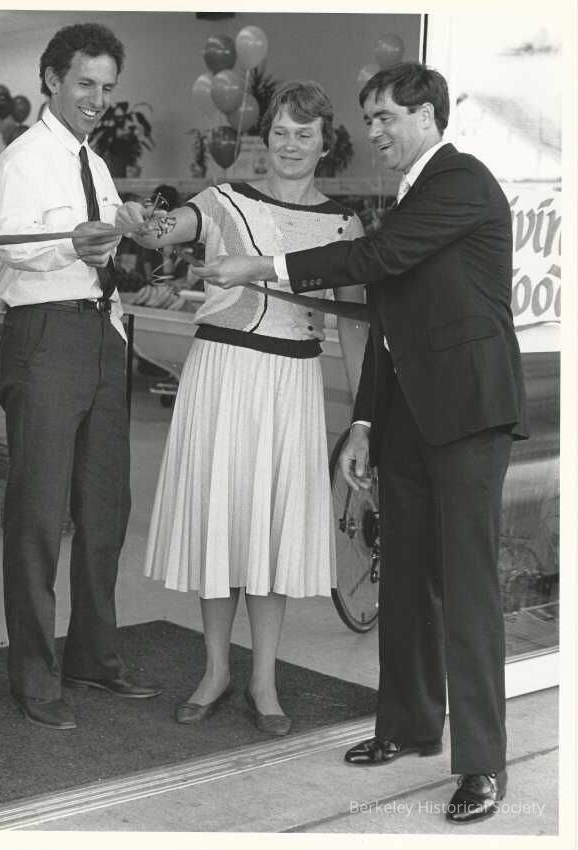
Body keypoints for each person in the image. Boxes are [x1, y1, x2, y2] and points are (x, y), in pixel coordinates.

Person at [189, 62, 529, 822]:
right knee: (402, 579)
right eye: (368, 118)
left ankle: (483, 765)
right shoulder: (410, 196)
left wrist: (263, 265)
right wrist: (366, 424)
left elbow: (376, 259)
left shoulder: (461, 181)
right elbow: (388, 319)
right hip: (407, 419)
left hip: (468, 415)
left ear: (427, 115)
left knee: (467, 591)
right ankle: (407, 726)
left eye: (384, 117)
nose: (372, 131)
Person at [116, 81, 364, 736]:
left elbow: (355, 326)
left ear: (326, 144)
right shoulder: (224, 199)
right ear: (265, 138)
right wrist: (145, 222)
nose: (290, 145)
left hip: (290, 382)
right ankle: (215, 671)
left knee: (271, 530)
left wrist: (364, 420)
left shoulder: (344, 225)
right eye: (280, 132)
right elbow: (172, 228)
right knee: (221, 522)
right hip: (221, 375)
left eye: (304, 134)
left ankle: (264, 681)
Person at [0, 22, 161, 731]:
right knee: (38, 514)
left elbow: (104, 242)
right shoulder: (23, 160)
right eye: (85, 83)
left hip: (101, 333)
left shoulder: (96, 163)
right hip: (45, 338)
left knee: (106, 508)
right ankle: (34, 676)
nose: (97, 98)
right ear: (52, 80)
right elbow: (8, 245)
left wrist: (128, 230)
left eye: (107, 87)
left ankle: (93, 657)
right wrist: (71, 241)